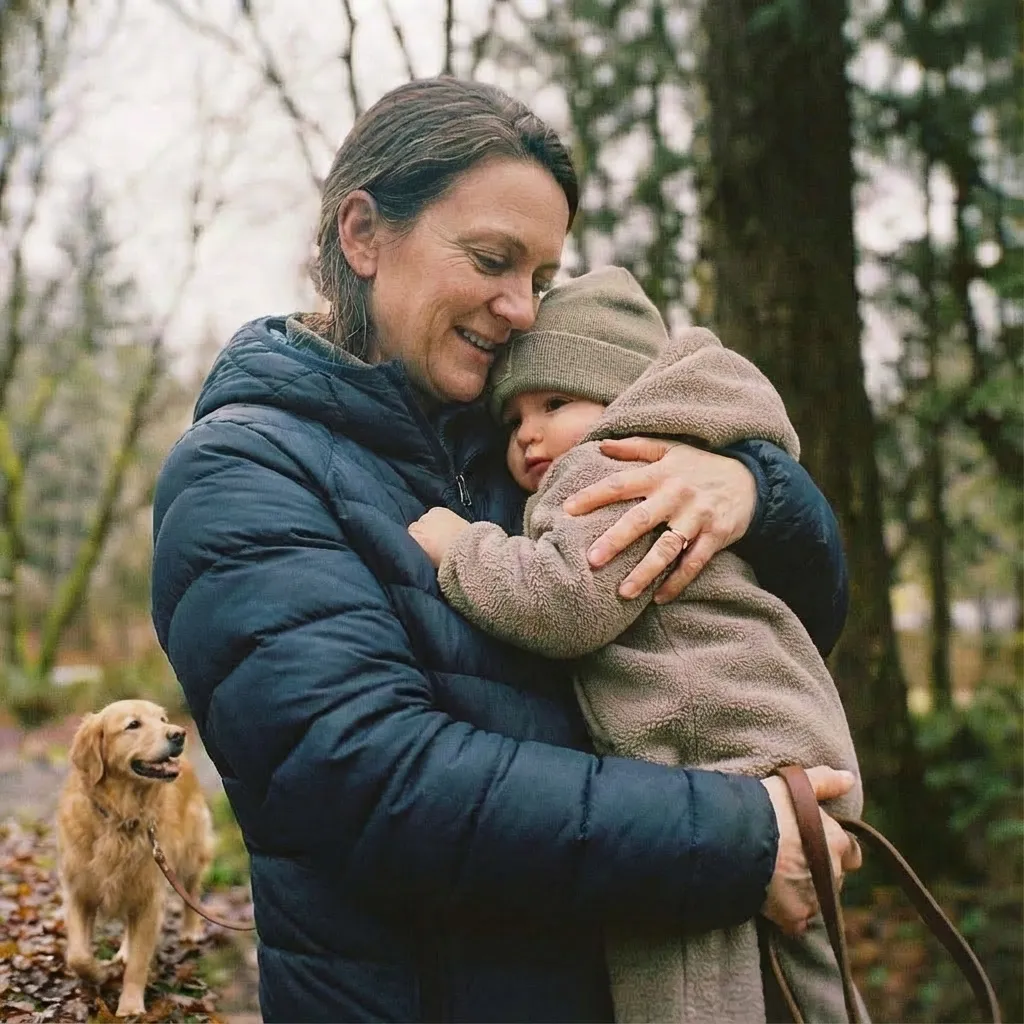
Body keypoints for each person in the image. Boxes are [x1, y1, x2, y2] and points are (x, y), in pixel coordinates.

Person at [151, 77, 860, 1023]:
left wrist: (757, 492)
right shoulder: (242, 472)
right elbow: (370, 779)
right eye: (492, 259)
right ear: (362, 236)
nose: (522, 308)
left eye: (539, 275)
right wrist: (735, 840)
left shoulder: (522, 445)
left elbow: (797, 616)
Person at [409, 266, 864, 1024]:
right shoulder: (680, 459)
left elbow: (566, 603)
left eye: (555, 403)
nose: (528, 434)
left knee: (683, 975)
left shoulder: (617, 467)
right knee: (807, 977)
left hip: (717, 752)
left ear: (623, 395)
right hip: (781, 745)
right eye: (514, 416)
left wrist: (463, 551)